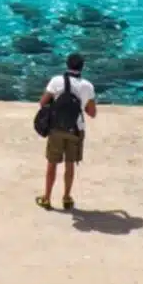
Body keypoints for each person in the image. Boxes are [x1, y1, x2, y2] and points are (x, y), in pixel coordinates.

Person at [36, 53, 96, 211]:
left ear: (67, 64)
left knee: (52, 163)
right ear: (82, 67)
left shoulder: (56, 81)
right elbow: (92, 112)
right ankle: (67, 198)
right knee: (70, 164)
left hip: (56, 128)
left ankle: (47, 198)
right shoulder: (88, 86)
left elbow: (42, 103)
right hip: (76, 130)